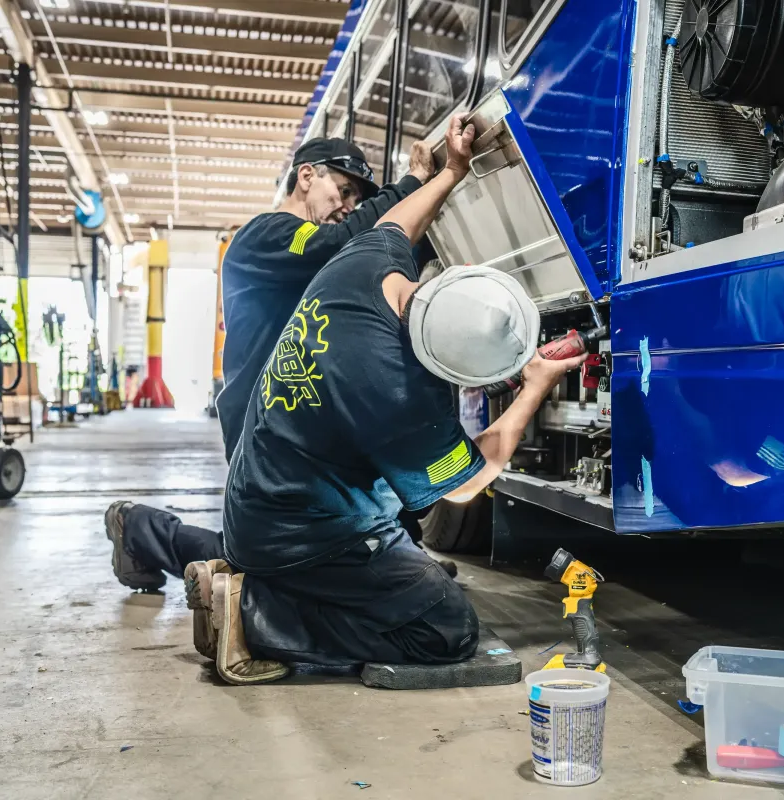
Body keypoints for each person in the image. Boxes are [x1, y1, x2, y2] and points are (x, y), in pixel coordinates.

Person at [184, 115, 587, 684]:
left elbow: (399, 219)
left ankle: (268, 578)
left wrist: (450, 172)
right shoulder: (401, 399)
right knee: (446, 627)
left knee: (414, 560)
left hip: (262, 500)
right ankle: (257, 615)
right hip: (300, 537)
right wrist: (535, 391)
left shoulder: (366, 264)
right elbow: (470, 483)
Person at [103, 132, 443, 592]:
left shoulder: (323, 253)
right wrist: (415, 181)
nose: (346, 205)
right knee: (276, 562)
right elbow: (343, 240)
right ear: (306, 176)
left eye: (354, 198)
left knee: (336, 534)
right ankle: (142, 530)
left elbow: (382, 251)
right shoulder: (267, 235)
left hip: (301, 414)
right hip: (258, 420)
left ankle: (396, 559)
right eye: (341, 191)